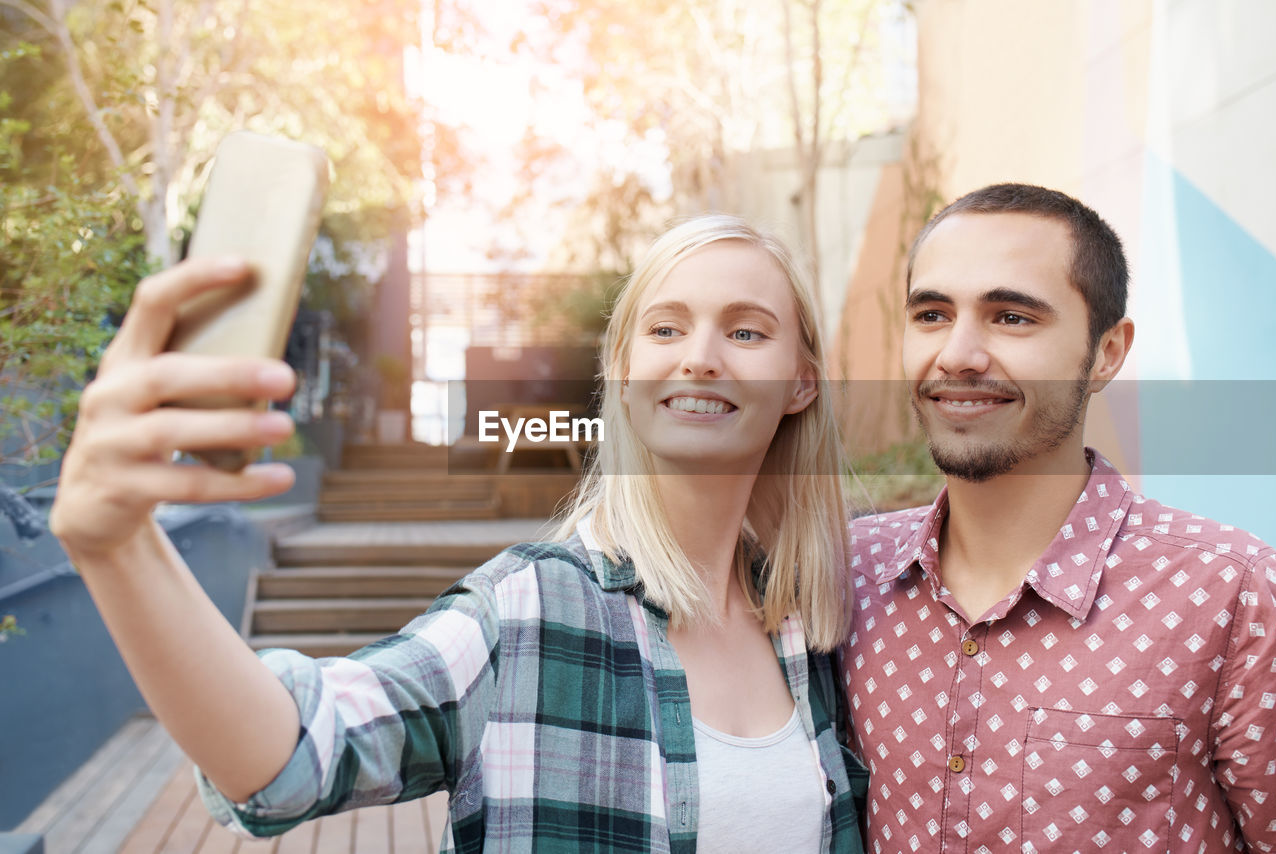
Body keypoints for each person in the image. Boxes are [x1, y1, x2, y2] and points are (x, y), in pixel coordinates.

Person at [50, 214, 867, 853]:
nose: (700, 357)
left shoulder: (818, 630)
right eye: (664, 328)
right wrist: (117, 548)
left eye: (746, 331)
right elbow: (290, 754)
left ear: (801, 382)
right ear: (622, 371)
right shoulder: (528, 611)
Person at [842, 183, 1276, 851]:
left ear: (1106, 352)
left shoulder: (1232, 593)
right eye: (931, 314)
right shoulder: (848, 574)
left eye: (1012, 317)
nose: (957, 354)